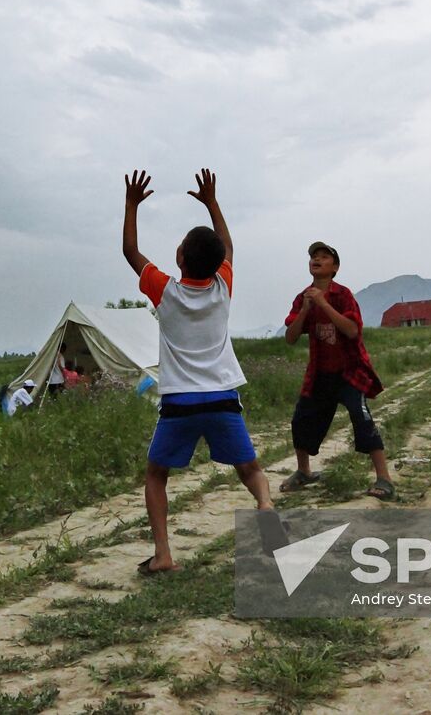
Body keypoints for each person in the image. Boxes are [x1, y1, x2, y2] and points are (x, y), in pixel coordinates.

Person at [122, 168, 274, 574]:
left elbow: (130, 251)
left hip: (180, 403)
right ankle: (265, 505)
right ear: (217, 263)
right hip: (223, 397)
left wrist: (132, 204)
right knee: (251, 470)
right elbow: (228, 247)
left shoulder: (165, 291)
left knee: (156, 475)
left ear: (180, 258)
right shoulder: (222, 288)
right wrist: (212, 202)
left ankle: (163, 555)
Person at [280, 241, 394, 499]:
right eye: (314, 256)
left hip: (348, 371)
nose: (317, 260)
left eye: (324, 256)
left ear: (335, 268)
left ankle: (384, 479)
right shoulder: (303, 297)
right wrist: (306, 309)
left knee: (362, 418)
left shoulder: (343, 295)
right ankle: (304, 472)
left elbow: (352, 330)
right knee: (301, 419)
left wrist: (323, 304)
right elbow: (290, 337)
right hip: (320, 373)